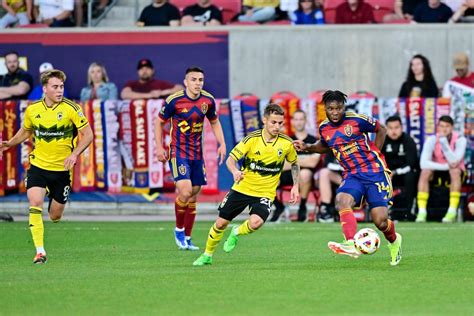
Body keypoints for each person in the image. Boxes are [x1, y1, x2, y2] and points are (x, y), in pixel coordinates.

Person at [294, 90, 402, 266]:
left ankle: (394, 240)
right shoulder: (324, 127)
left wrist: (376, 153)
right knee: (342, 200)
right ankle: (350, 243)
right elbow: (324, 145)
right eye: (331, 109)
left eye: (338, 108)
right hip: (352, 174)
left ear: (343, 107)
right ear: (325, 109)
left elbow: (381, 129)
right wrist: (307, 147)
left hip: (374, 172)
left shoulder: (357, 120)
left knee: (380, 221)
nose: (335, 112)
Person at [0, 69, 93, 264]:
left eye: (61, 87)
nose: (60, 91)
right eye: (55, 87)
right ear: (45, 89)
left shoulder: (71, 109)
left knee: (54, 216)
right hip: (38, 167)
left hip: (61, 171)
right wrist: (10, 143)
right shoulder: (33, 110)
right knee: (34, 203)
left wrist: (74, 153)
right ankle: (40, 251)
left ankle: (55, 201)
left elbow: (89, 135)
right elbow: (26, 131)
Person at [193, 103, 300, 266]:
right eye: (273, 122)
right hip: (242, 188)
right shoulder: (252, 139)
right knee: (221, 223)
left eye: (280, 123)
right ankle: (207, 255)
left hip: (265, 192)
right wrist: (235, 172)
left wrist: (295, 186)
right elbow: (230, 160)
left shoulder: (286, 143)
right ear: (264, 120)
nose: (277, 126)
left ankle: (236, 232)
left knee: (256, 223)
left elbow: (294, 163)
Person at [155, 66, 226, 250]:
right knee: (185, 191)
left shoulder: (208, 100)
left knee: (193, 195)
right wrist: (158, 146)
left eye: (200, 80)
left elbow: (214, 122)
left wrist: (222, 143)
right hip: (178, 152)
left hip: (197, 154)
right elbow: (159, 122)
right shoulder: (174, 101)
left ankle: (187, 238)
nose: (197, 83)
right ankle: (178, 230)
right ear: (186, 82)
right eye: (193, 79)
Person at [270, 109, 319, 222]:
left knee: (305, 174)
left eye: (301, 119)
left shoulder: (313, 141)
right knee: (269, 178)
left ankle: (302, 207)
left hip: (305, 177)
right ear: (292, 121)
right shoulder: (285, 140)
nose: (299, 122)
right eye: (296, 119)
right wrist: (304, 159)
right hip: (288, 174)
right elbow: (280, 164)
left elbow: (313, 162)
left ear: (306, 121)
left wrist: (292, 161)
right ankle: (279, 207)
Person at [416, 115, 467, 223]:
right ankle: (421, 211)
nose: (444, 129)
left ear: (452, 127)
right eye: (441, 126)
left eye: (447, 126)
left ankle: (452, 211)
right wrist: (445, 166)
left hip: (456, 173)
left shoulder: (460, 139)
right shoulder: (432, 140)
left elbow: (454, 162)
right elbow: (423, 163)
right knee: (425, 172)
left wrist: (443, 142)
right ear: (437, 127)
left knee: (455, 171)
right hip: (438, 171)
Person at [381, 115, 419, 220]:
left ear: (401, 128)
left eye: (396, 127)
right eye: (390, 128)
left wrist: (396, 172)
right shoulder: (382, 141)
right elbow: (377, 160)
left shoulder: (408, 141)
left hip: (403, 174)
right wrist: (387, 172)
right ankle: (383, 211)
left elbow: (412, 164)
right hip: (387, 174)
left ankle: (409, 211)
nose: (394, 131)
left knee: (411, 176)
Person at [316, 151, 343, 223]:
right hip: (338, 177)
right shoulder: (333, 148)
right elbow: (327, 164)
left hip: (354, 178)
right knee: (324, 173)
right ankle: (326, 208)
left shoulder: (356, 147)